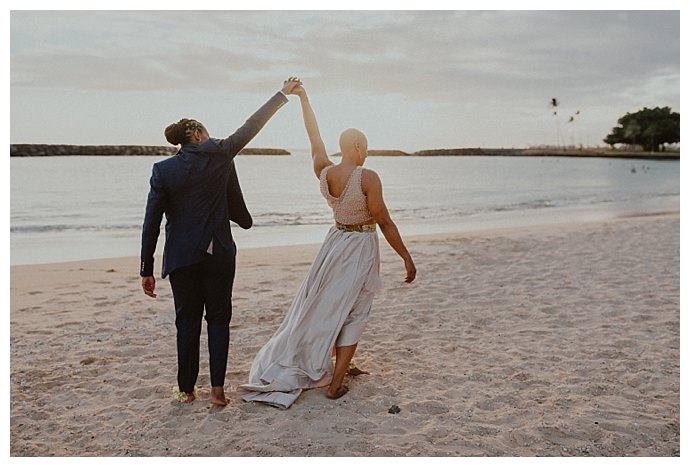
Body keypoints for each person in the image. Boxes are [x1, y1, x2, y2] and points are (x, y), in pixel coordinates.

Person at [238, 84, 416, 409]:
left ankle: (342, 364)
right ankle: (335, 385)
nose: (367, 152)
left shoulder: (325, 170)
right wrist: (406, 258)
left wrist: (303, 99)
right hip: (359, 247)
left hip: (333, 244)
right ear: (359, 146)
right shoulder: (367, 177)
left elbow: (313, 137)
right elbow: (386, 222)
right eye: (367, 147)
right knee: (355, 309)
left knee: (331, 304)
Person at [140, 77, 302, 406]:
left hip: (182, 257)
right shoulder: (221, 154)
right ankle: (217, 392)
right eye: (207, 132)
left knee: (186, 322)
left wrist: (147, 267)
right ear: (198, 134)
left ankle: (186, 390)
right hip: (219, 254)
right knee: (218, 320)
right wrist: (282, 94)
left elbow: (151, 222)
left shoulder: (163, 170)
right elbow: (251, 125)